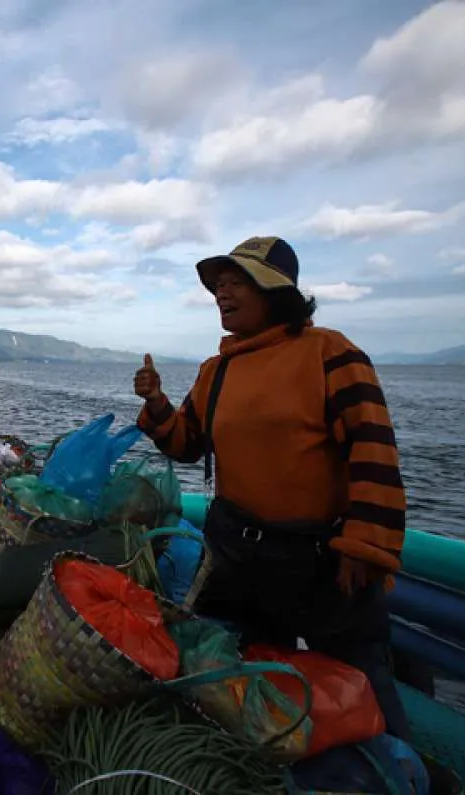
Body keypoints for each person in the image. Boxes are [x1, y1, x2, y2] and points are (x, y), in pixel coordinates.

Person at [133, 236, 411, 740]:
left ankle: (398, 764)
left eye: (236, 282)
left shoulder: (331, 353)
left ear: (276, 291)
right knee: (230, 674)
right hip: (233, 551)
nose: (222, 293)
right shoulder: (216, 370)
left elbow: (373, 450)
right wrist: (157, 406)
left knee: (363, 679)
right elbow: (186, 443)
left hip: (320, 559)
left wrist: (364, 545)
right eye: (218, 285)